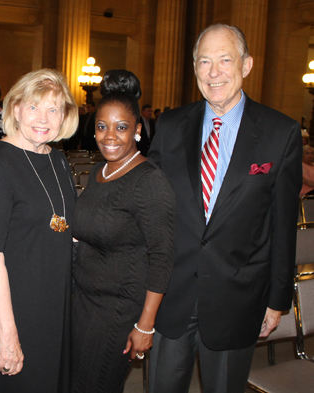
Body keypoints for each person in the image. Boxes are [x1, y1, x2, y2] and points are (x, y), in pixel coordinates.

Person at [147, 24, 302, 393]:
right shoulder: (169, 126)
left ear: (246, 65)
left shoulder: (280, 133)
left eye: (225, 60)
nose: (213, 72)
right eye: (204, 61)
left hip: (239, 300)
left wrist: (277, 300)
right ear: (195, 69)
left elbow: (282, 225)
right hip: (171, 296)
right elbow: (151, 211)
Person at [0, 69, 78, 392]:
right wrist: (8, 334)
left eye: (53, 109)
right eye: (33, 107)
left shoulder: (58, 159)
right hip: (17, 308)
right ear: (15, 109)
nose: (43, 118)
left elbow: (64, 228)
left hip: (55, 305)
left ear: (64, 116)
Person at [71, 70, 176, 393]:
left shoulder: (149, 181)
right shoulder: (100, 171)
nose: (109, 136)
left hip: (117, 311)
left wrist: (145, 325)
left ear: (138, 131)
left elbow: (162, 256)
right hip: (82, 302)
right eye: (102, 127)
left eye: (121, 127)